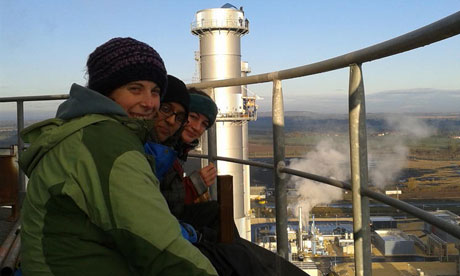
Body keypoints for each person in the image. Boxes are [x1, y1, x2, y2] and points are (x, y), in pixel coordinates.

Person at [19, 37, 217, 276]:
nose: (149, 103)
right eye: (135, 89)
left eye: (155, 92)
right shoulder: (107, 143)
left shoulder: (86, 129)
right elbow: (160, 246)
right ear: (106, 91)